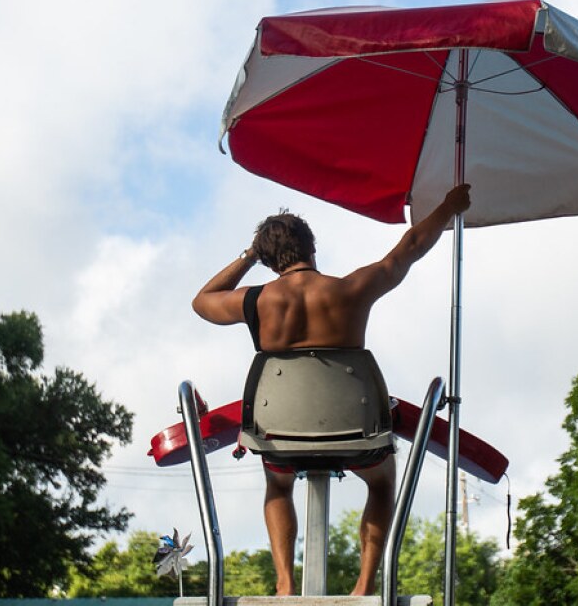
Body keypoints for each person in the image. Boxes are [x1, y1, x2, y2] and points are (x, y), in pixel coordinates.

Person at [192, 184, 472, 597]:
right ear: (312, 246)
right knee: (381, 481)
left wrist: (250, 255)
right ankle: (364, 585)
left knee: (277, 484)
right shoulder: (351, 289)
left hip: (281, 440)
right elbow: (409, 247)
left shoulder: (256, 302)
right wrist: (449, 207)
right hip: (356, 437)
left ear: (270, 261)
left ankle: (286, 583)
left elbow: (202, 301)